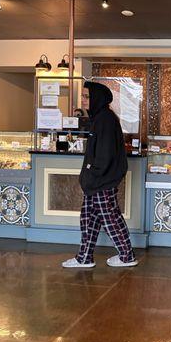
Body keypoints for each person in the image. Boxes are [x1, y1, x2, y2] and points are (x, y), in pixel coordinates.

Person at [62, 82, 138, 268]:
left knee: (110, 217)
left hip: (101, 180)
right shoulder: (101, 117)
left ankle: (127, 256)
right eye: (83, 96)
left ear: (97, 98)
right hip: (97, 180)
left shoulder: (105, 119)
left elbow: (105, 155)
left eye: (87, 97)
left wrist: (91, 173)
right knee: (89, 218)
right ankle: (84, 257)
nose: (83, 100)